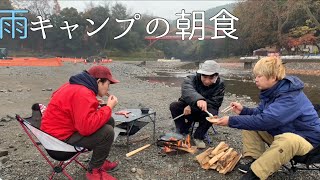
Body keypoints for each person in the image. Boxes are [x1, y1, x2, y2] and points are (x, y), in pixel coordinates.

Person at [208, 57, 320, 180]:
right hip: (283, 132)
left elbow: (268, 120)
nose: (255, 79)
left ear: (272, 77)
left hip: (310, 143)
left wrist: (230, 120)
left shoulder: (291, 96)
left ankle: (255, 174)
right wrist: (244, 111)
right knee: (249, 121)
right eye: (255, 76)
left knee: (288, 139)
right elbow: (260, 114)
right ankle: (255, 160)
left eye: (259, 76)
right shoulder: (270, 92)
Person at [41, 65, 120, 180]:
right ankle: (94, 172)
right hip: (59, 144)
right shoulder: (84, 93)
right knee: (107, 132)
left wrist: (91, 103)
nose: (108, 89)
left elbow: (60, 99)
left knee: (108, 119)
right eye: (108, 84)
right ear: (99, 81)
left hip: (51, 137)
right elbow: (86, 128)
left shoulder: (74, 85)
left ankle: (100, 162)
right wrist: (108, 107)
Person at [170, 60, 225, 149]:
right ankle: (182, 130)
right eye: (204, 77)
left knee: (213, 114)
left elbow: (216, 102)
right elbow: (187, 91)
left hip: (203, 112)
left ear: (216, 76)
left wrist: (193, 106)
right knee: (174, 106)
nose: (207, 81)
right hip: (188, 111)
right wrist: (197, 100)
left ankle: (198, 137)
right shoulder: (191, 78)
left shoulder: (220, 84)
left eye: (211, 78)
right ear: (201, 74)